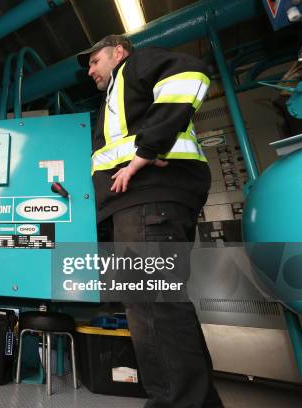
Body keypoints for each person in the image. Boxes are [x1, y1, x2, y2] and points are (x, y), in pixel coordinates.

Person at [77, 35, 223, 407]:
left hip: (150, 196)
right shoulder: (116, 96)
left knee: (152, 305)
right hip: (144, 203)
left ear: (119, 52)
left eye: (95, 61)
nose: (90, 70)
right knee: (158, 304)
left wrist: (146, 151)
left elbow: (191, 74)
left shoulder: (135, 67)